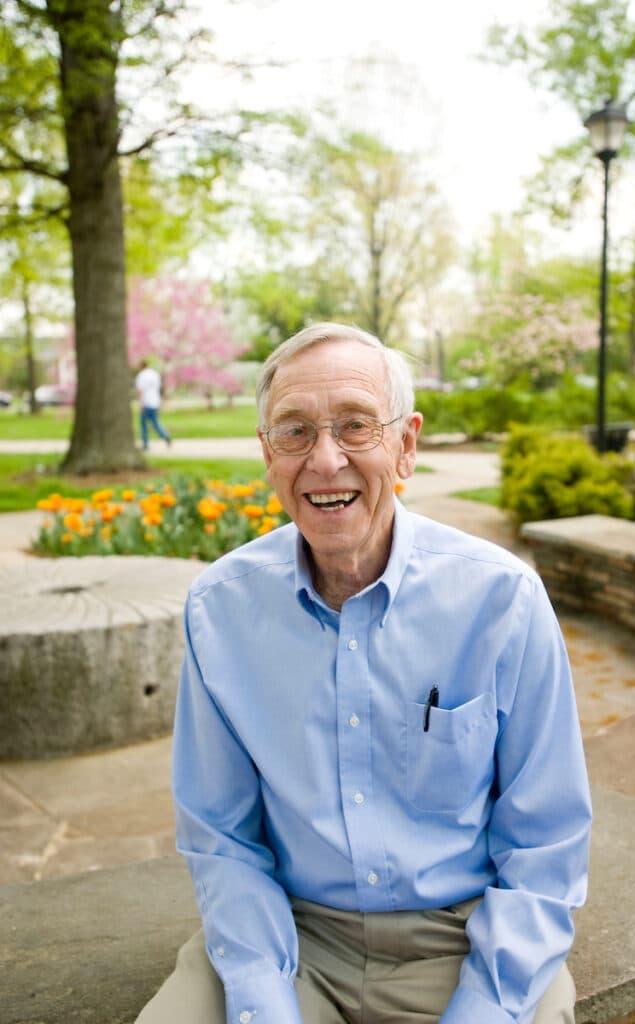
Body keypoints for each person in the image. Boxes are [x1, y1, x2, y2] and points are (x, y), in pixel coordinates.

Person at [137, 323, 591, 1024]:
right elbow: (221, 837)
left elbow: (545, 839)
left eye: (355, 427)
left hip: (460, 937)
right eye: (294, 431)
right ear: (266, 452)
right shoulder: (221, 609)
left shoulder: (500, 599)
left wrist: (484, 1004)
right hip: (289, 934)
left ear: (404, 444)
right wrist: (261, 999)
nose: (324, 461)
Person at [135, 359, 171, 450]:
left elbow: (140, 390)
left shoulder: (141, 375)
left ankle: (146, 444)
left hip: (146, 402)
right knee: (155, 422)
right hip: (155, 402)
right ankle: (165, 436)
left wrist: (140, 403)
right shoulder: (155, 374)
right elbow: (159, 388)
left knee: (144, 424)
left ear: (141, 366)